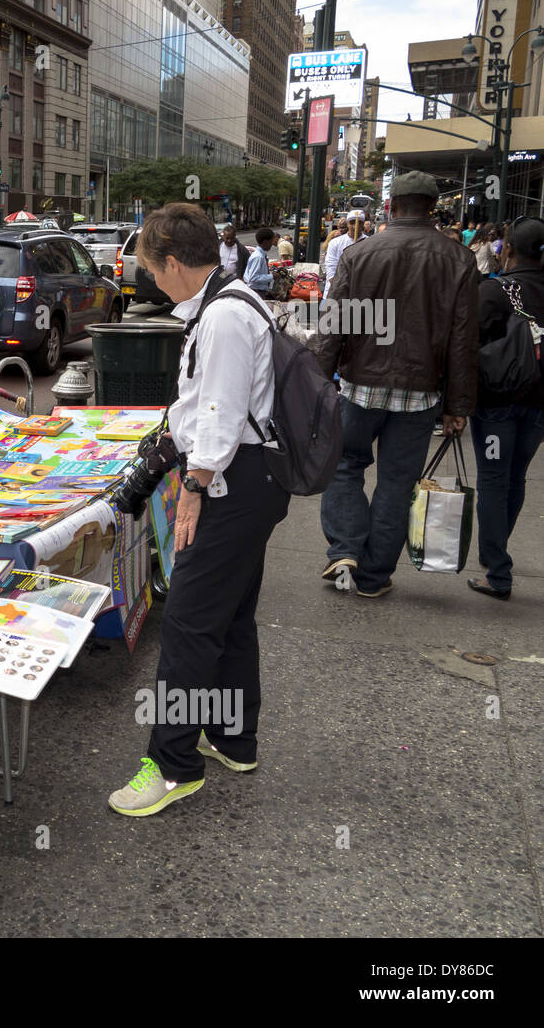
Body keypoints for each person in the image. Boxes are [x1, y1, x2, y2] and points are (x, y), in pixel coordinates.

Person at [108, 202, 288, 817]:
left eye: (150, 270)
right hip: (248, 481)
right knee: (230, 617)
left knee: (187, 624)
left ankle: (172, 764)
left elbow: (219, 414)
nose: (148, 281)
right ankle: (233, 739)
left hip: (232, 483)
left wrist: (193, 487)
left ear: (176, 263)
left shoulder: (225, 317)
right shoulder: (225, 302)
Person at [315, 171, 480, 598]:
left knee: (345, 464)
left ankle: (345, 548)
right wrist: (458, 405)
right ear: (433, 208)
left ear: (392, 206)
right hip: (421, 391)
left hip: (360, 386)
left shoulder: (360, 252)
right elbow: (463, 340)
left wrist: (316, 381)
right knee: (396, 483)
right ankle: (373, 577)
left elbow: (334, 323)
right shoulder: (459, 259)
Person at [467, 217, 544, 598]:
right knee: (516, 478)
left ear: (507, 249)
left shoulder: (496, 291)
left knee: (494, 480)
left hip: (496, 403)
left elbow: (468, 344)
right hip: (538, 405)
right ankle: (493, 550)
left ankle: (498, 571)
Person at [322, 210, 364, 297]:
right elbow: (331, 270)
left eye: (359, 223)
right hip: (334, 294)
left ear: (363, 224)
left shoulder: (369, 242)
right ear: (347, 224)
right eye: (352, 223)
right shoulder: (335, 243)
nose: (355, 226)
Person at [243, 228, 276, 298]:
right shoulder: (258, 257)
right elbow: (253, 277)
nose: (272, 244)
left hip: (259, 291)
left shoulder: (261, 255)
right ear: (265, 241)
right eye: (271, 241)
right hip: (256, 291)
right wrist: (272, 276)